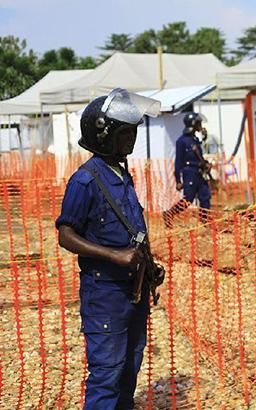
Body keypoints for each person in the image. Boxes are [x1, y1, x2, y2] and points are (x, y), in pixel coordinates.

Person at [56, 88, 163, 409]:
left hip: (133, 290)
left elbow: (132, 231)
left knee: (130, 367)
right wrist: (114, 256)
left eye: (132, 132)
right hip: (104, 294)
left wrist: (150, 266)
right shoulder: (85, 180)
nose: (130, 139)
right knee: (107, 374)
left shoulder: (121, 174)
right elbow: (65, 235)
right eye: (124, 133)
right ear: (104, 136)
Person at [163, 111, 211, 226]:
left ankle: (204, 221)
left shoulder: (195, 140)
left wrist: (205, 164)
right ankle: (169, 214)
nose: (200, 125)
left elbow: (199, 156)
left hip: (199, 173)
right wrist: (178, 180)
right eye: (199, 123)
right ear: (193, 124)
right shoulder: (182, 141)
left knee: (205, 196)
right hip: (189, 173)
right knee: (188, 199)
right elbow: (178, 161)